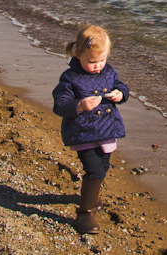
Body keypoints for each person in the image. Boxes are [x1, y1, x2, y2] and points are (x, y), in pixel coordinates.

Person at [52, 25, 130, 234]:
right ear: (78, 55)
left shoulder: (109, 72)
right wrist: (80, 105)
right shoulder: (70, 78)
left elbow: (122, 86)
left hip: (107, 130)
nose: (97, 66)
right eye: (92, 62)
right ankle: (85, 213)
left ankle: (91, 197)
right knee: (93, 170)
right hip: (83, 132)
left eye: (102, 61)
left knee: (102, 169)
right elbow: (60, 104)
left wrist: (120, 94)